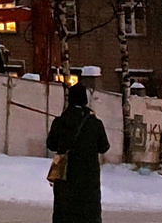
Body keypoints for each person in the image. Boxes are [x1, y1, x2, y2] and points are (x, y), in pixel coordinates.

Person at [46, 86, 111, 223]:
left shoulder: (59, 122)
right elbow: (104, 147)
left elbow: (51, 145)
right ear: (85, 101)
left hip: (65, 178)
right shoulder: (95, 123)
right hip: (89, 181)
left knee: (64, 214)